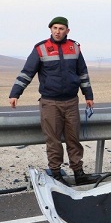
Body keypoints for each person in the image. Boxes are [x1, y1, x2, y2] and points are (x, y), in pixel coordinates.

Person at [9, 16, 99, 186]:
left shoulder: (74, 48)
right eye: (55, 28)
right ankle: (56, 174)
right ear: (50, 29)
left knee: (74, 139)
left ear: (67, 31)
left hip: (71, 102)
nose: (57, 31)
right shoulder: (41, 49)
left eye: (61, 28)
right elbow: (26, 73)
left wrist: (89, 96)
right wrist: (15, 93)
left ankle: (78, 173)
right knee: (54, 141)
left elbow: (83, 74)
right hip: (50, 103)